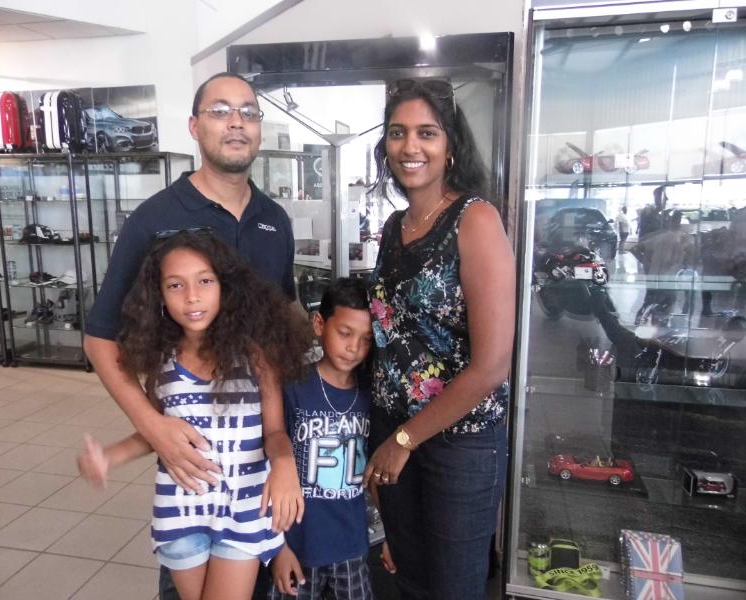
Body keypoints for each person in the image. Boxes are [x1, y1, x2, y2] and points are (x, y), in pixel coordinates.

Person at [82, 73, 296, 600]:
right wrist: (152, 426)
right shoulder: (155, 218)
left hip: (257, 472)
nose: (237, 122)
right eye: (221, 111)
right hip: (191, 485)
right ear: (195, 126)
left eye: (248, 112)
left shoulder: (275, 220)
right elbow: (100, 338)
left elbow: (285, 318)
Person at [78, 231, 311, 600]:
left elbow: (274, 432)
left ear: (225, 287)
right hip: (181, 512)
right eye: (175, 285)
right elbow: (155, 432)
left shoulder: (256, 357)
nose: (192, 296)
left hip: (243, 511)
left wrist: (285, 465)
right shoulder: (162, 363)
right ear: (159, 295)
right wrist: (109, 457)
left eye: (205, 281)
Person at [361, 78, 515, 600]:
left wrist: (404, 441)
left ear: (450, 145)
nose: (411, 146)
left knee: (453, 588)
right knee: (407, 578)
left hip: (459, 442)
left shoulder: (475, 220)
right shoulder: (392, 227)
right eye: (398, 132)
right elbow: (391, 334)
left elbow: (492, 365)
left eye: (427, 132)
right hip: (392, 431)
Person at [267, 277, 375, 600]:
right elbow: (268, 472)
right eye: (345, 333)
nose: (354, 347)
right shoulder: (293, 387)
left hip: (351, 546)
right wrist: (277, 548)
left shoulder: (371, 394)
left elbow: (376, 474)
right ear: (319, 324)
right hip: (297, 546)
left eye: (366, 339)